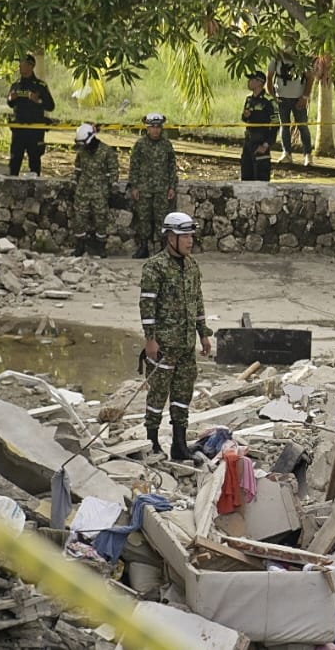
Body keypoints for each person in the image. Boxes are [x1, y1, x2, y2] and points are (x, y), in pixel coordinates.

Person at [139, 212, 213, 461]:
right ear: (171, 237)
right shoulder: (155, 267)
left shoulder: (192, 265)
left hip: (185, 344)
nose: (190, 241)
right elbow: (147, 306)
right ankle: (152, 442)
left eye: (192, 236)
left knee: (183, 395)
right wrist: (150, 340)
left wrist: (203, 334)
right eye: (185, 236)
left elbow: (197, 301)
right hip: (164, 345)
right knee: (158, 394)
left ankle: (179, 445)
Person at [128, 113, 178, 259]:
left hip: (162, 189)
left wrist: (172, 187)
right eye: (153, 127)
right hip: (144, 189)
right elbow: (134, 166)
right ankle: (143, 247)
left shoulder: (166, 145)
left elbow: (172, 167)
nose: (155, 130)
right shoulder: (140, 145)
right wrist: (134, 186)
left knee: (162, 219)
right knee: (143, 218)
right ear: (147, 128)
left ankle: (163, 248)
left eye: (158, 127)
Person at [70, 122, 119, 257]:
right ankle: (80, 246)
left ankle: (100, 247)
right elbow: (78, 168)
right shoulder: (81, 151)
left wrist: (113, 186)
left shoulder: (106, 151)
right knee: (80, 219)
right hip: (83, 191)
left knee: (100, 220)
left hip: (100, 191)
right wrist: (74, 183)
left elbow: (113, 170)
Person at [6, 53, 55, 176]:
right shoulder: (15, 85)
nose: (20, 67)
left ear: (31, 66)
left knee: (34, 162)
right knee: (14, 162)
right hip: (19, 130)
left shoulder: (40, 86)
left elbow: (51, 106)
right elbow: (10, 104)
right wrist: (11, 99)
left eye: (23, 64)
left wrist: (37, 100)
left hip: (35, 131)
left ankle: (34, 190)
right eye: (20, 64)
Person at [266, 40, 313, 166]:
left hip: (298, 98)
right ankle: (286, 153)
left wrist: (305, 96)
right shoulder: (276, 58)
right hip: (282, 98)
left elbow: (310, 77)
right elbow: (269, 77)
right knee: (284, 126)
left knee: (303, 126)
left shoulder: (302, 58)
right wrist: (273, 95)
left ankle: (308, 155)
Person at [241, 72, 279, 181]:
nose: (249, 82)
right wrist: (245, 115)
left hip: (261, 143)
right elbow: (245, 119)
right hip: (248, 142)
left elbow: (276, 124)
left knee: (261, 178)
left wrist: (266, 144)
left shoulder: (269, 101)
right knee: (246, 176)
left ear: (259, 83)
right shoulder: (249, 99)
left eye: (251, 80)